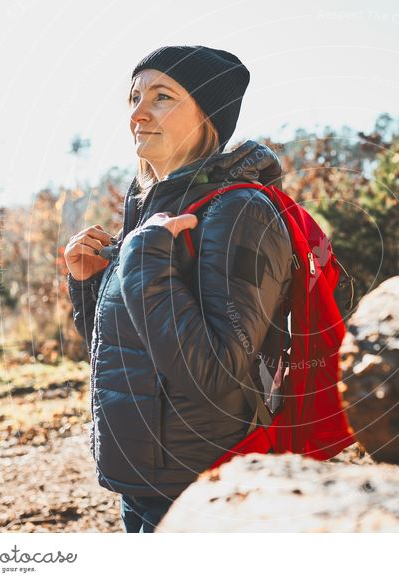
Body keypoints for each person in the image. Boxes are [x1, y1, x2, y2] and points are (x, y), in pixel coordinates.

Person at [64, 45, 293, 533]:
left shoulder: (240, 210)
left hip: (199, 486)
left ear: (208, 115)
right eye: (134, 96)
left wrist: (143, 260)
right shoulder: (151, 212)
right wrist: (88, 286)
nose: (138, 113)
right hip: (144, 477)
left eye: (162, 96)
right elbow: (126, 353)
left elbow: (217, 374)